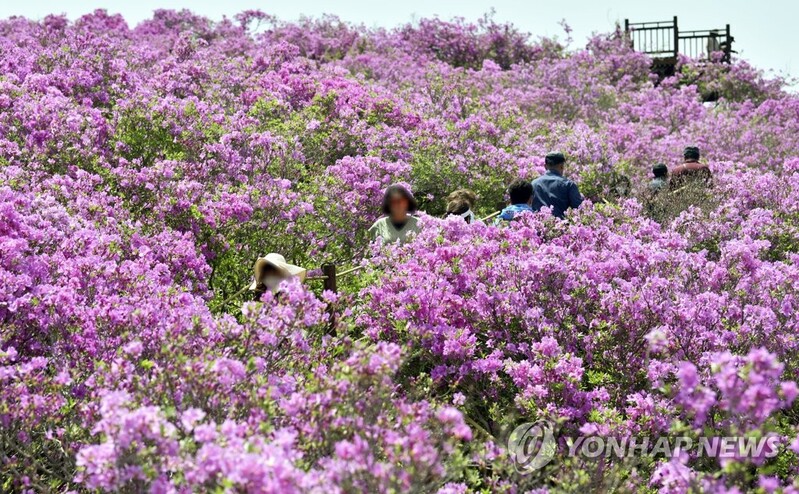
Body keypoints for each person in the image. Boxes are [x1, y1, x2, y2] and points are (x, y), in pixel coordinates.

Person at [531, 152, 583, 218]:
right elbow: (579, 209)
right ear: (561, 166)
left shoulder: (534, 183)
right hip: (561, 226)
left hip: (537, 226)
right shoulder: (568, 184)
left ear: (545, 166)